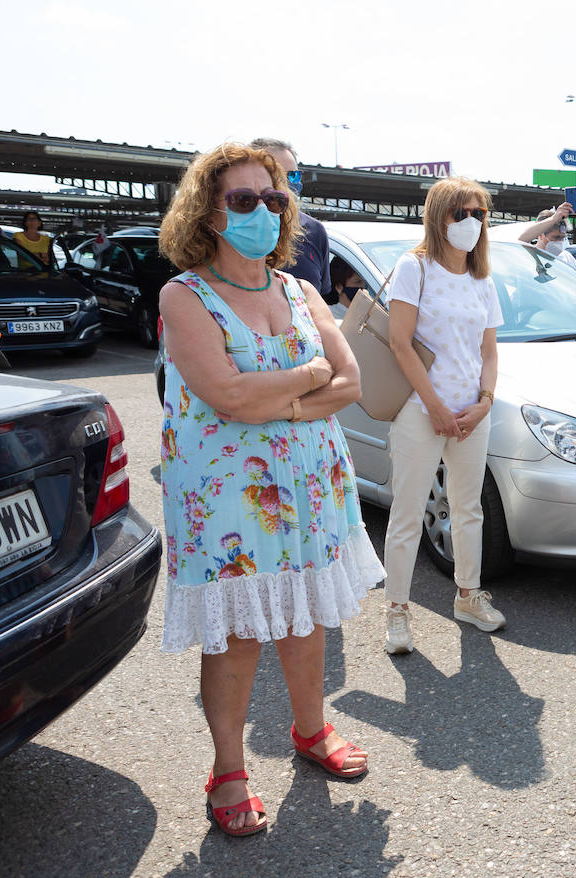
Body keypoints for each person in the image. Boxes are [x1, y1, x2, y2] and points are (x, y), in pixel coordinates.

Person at [157, 142, 385, 836]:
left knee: (306, 615)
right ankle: (229, 768)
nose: (262, 210)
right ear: (208, 211)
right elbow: (227, 396)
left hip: (310, 481)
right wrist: (304, 380)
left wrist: (278, 397)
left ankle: (310, 729)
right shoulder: (184, 294)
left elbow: (351, 383)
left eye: (274, 198)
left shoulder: (300, 289)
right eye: (243, 199)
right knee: (234, 635)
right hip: (227, 496)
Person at [381, 176, 505, 654]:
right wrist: (434, 406)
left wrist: (485, 401)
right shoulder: (414, 267)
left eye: (479, 214)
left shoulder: (483, 280)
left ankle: (468, 596)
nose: (471, 222)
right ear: (439, 217)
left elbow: (489, 351)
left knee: (468, 509)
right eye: (461, 213)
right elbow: (399, 342)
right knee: (408, 514)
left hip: (473, 413)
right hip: (419, 410)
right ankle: (396, 611)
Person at [249, 138, 332, 298]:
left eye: (293, 175)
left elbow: (320, 297)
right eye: (278, 175)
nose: (287, 183)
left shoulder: (314, 231)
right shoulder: (240, 231)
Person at [518, 202, 576, 268]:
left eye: (562, 238)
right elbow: (522, 240)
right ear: (540, 235)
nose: (559, 242)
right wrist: (553, 219)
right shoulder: (528, 256)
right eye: (555, 237)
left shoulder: (568, 259)